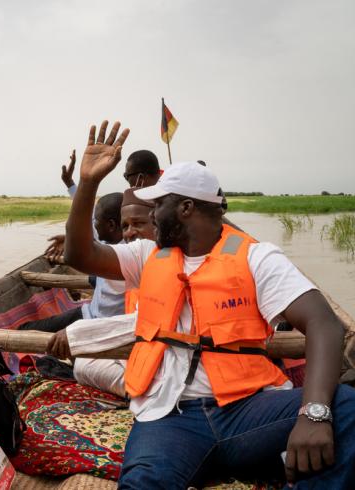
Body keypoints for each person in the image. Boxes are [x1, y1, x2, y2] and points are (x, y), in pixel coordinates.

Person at [63, 119, 355, 488]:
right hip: (169, 418)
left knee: (344, 408)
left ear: (186, 208)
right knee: (143, 483)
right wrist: (87, 183)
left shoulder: (256, 257)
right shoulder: (147, 255)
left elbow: (324, 325)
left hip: (246, 411)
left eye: (158, 205)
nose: (151, 214)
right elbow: (79, 253)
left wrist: (314, 415)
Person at [47, 188, 156, 397]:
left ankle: (143, 390)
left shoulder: (152, 255)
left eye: (138, 224)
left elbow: (148, 322)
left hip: (125, 336)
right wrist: (80, 183)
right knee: (80, 363)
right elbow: (85, 242)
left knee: (79, 363)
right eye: (126, 226)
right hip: (96, 318)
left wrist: (77, 334)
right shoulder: (135, 251)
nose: (130, 232)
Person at [18, 192, 125, 333]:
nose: (93, 226)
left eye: (96, 221)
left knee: (24, 329)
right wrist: (71, 238)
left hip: (94, 322)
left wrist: (72, 241)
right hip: (90, 312)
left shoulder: (118, 257)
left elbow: (74, 257)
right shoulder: (114, 243)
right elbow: (93, 240)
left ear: (111, 225)